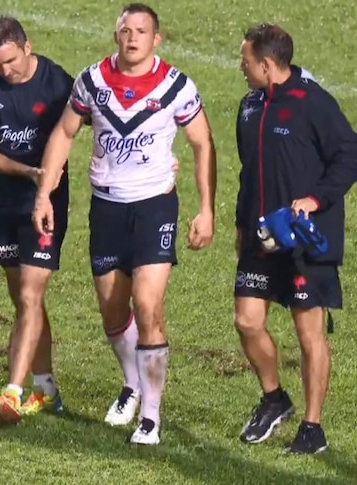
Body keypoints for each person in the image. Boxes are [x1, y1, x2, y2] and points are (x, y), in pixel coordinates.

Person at [32, 3, 217, 445]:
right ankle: (132, 384)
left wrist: (207, 208)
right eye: (125, 30)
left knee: (149, 305)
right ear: (116, 35)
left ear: (157, 39)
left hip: (154, 207)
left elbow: (201, 143)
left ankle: (150, 418)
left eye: (142, 31)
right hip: (108, 208)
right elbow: (63, 133)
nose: (132, 37)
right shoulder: (92, 81)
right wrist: (44, 192)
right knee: (113, 311)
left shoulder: (176, 87)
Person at [232, 23, 357, 454]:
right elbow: (248, 173)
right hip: (261, 238)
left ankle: (312, 427)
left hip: (307, 241)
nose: (241, 67)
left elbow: (349, 154)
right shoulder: (249, 107)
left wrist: (316, 199)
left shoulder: (313, 103)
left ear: (266, 65)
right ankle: (274, 398)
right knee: (247, 321)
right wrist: (240, 224)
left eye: (245, 60)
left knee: (309, 335)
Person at [0, 16, 76, 424]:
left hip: (44, 205)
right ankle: (45, 388)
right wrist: (28, 171)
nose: (5, 71)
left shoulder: (58, 82)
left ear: (27, 47)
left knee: (30, 295)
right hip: (0, 203)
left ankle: (12, 391)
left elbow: (89, 127)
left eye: (10, 61)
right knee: (25, 300)